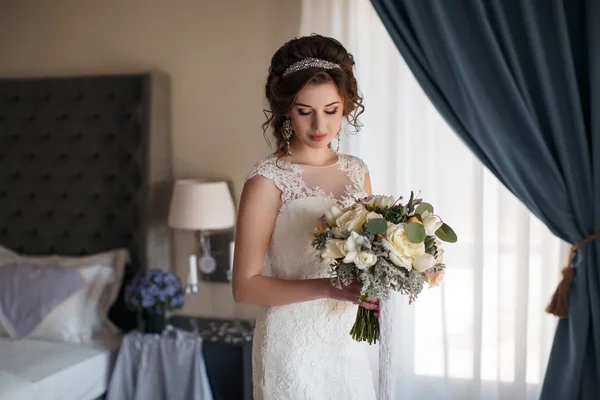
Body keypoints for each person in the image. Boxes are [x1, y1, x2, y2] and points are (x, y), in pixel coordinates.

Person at [232, 34, 378, 400]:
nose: (319, 126)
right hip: (292, 345)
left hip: (347, 341)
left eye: (331, 110)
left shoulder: (357, 171)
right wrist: (328, 289)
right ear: (285, 109)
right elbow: (245, 286)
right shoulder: (267, 180)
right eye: (304, 110)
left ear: (346, 105)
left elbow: (370, 254)